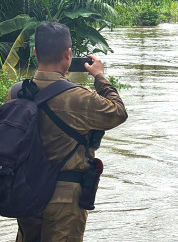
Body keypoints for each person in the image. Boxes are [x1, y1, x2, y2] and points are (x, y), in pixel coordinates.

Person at [10, 22, 128, 242]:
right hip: (64, 196)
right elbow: (118, 112)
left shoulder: (16, 92)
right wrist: (100, 77)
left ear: (35, 53)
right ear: (68, 54)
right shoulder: (81, 97)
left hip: (24, 191)